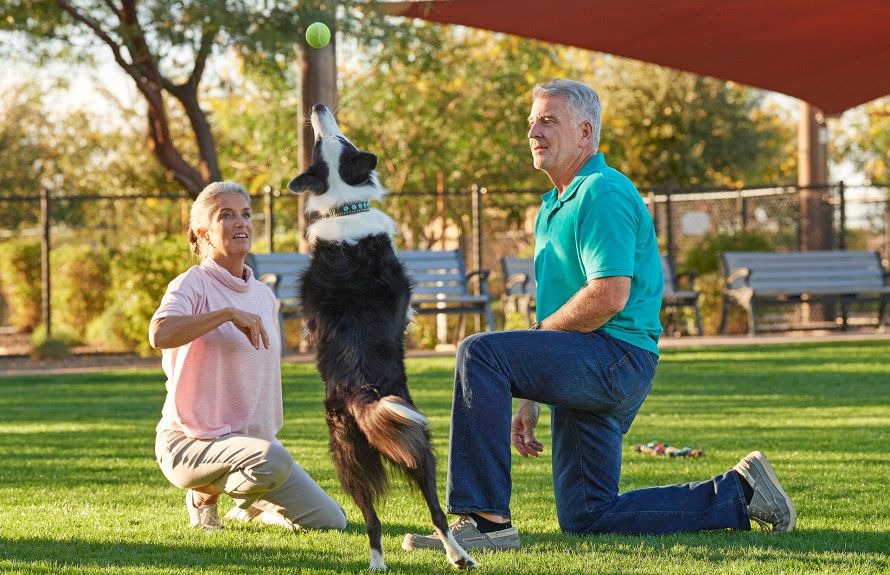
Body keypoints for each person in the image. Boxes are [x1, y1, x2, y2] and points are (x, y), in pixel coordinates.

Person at [404, 79, 795, 550]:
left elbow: (608, 295)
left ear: (586, 132)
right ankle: (741, 493)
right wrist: (527, 395)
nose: (534, 132)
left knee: (479, 352)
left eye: (549, 121)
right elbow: (557, 317)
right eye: (532, 122)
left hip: (615, 359)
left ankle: (484, 521)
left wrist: (526, 359)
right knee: (588, 515)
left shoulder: (602, 192)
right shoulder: (552, 206)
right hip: (594, 358)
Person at [149, 181, 346, 531]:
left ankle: (250, 505)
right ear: (203, 233)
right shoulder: (191, 284)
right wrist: (224, 313)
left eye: (245, 214)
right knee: (273, 461)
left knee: (330, 520)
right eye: (226, 215)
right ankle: (202, 495)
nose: (241, 222)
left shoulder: (262, 296)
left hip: (253, 449)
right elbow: (159, 333)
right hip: (190, 446)